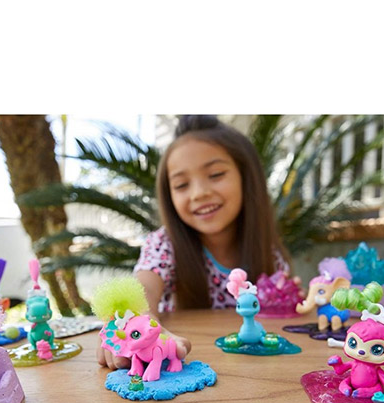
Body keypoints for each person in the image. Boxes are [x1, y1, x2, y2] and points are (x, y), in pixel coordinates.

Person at [97, 114, 291, 370]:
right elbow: (144, 288)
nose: (199, 193)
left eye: (216, 174)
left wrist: (288, 300)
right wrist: (135, 318)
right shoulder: (164, 245)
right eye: (181, 185)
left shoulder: (269, 253)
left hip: (256, 371)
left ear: (246, 177)